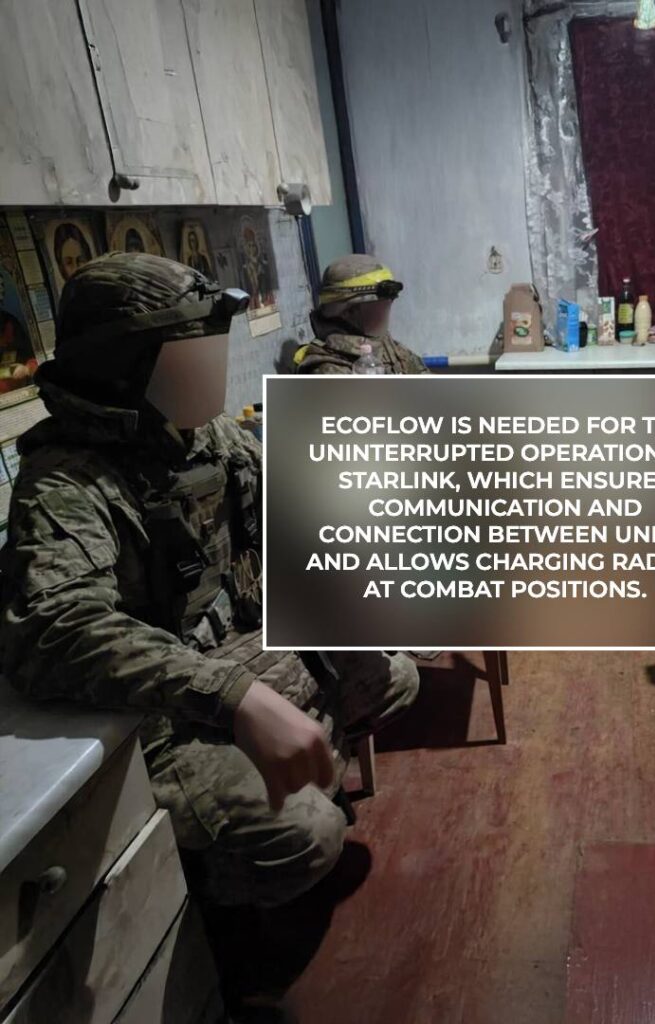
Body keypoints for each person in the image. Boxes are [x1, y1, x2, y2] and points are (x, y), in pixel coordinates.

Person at [0, 252, 419, 907]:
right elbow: (59, 628)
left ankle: (307, 768)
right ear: (127, 367)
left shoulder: (203, 436)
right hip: (156, 710)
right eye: (190, 351)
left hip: (231, 650)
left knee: (389, 676)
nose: (214, 368)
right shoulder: (66, 483)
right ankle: (189, 900)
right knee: (307, 837)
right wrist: (237, 698)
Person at [294, 254, 428, 374]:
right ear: (348, 312)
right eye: (380, 304)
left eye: (390, 301)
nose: (389, 306)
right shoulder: (327, 370)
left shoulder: (384, 344)